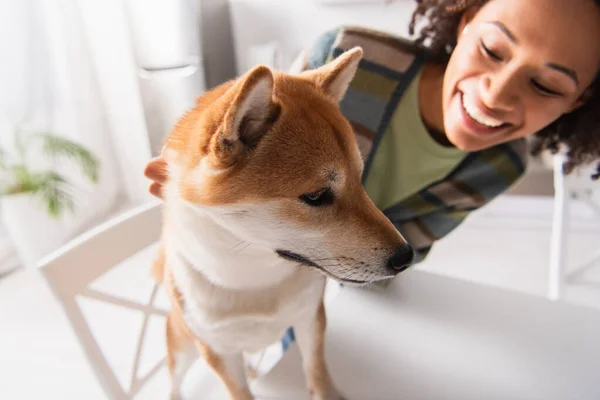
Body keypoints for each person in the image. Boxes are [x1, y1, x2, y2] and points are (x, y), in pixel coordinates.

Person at [145, 0, 600, 356]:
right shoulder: (342, 55)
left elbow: (393, 261)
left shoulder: (498, 168)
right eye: (493, 50)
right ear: (466, 23)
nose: (496, 94)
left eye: (546, 86)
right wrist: (189, 163)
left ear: (577, 101)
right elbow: (243, 126)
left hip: (322, 290)